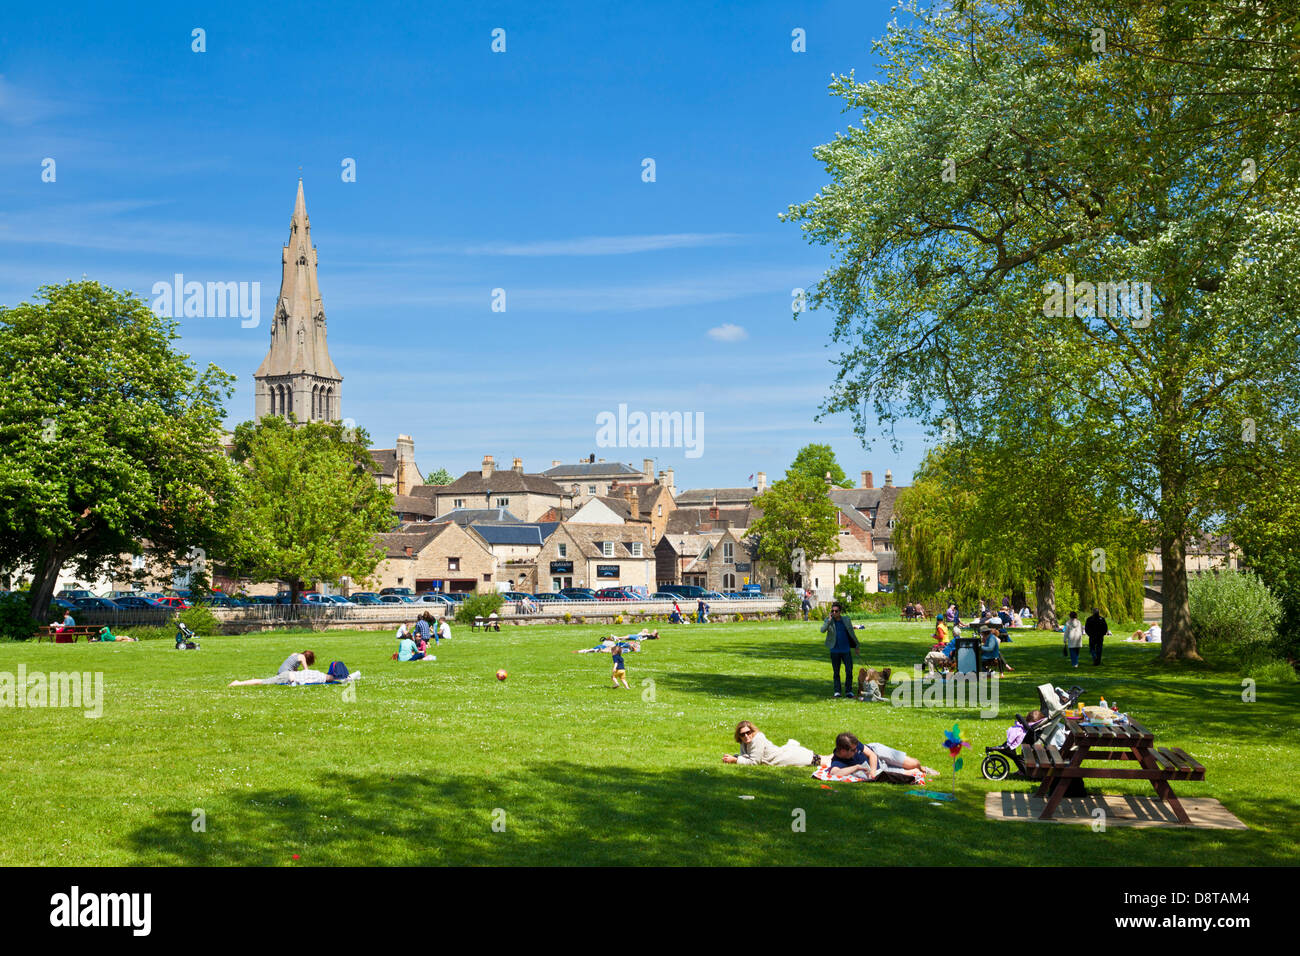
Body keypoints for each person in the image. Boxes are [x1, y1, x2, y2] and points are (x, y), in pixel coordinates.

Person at [823, 732, 926, 778]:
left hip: (877, 752)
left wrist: (872, 771)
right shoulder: (837, 761)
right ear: (843, 751)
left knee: (914, 763)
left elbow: (872, 754)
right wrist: (857, 767)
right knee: (912, 773)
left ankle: (923, 768)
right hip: (879, 770)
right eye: (853, 750)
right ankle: (920, 770)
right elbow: (834, 773)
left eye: (856, 748)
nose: (856, 751)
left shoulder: (852, 743)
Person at [722, 720, 822, 766]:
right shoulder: (744, 742)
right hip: (783, 754)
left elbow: (754, 762)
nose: (746, 736)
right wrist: (735, 758)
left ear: (752, 731)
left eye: (748, 732)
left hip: (785, 757)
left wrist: (735, 761)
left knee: (819, 760)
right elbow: (747, 756)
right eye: (742, 734)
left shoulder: (757, 739)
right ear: (739, 736)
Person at [819, 601, 859, 698]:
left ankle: (849, 691)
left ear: (840, 611)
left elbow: (852, 633)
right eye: (832, 611)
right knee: (836, 672)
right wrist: (828, 620)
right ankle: (837, 692)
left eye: (836, 611)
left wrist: (857, 645)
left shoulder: (846, 620)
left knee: (849, 671)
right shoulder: (829, 620)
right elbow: (822, 630)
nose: (834, 613)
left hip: (846, 650)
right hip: (834, 650)